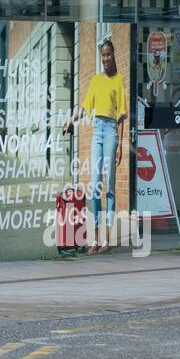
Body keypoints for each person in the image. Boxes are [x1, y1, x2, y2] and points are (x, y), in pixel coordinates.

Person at [63, 37, 127, 254]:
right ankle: (95, 239)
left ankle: (107, 239)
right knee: (96, 185)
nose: (106, 58)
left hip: (110, 131)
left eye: (108, 54)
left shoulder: (118, 80)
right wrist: (71, 120)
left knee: (110, 185)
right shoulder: (96, 80)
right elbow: (84, 108)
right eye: (103, 55)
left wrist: (120, 145)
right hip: (97, 130)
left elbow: (121, 117)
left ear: (113, 55)